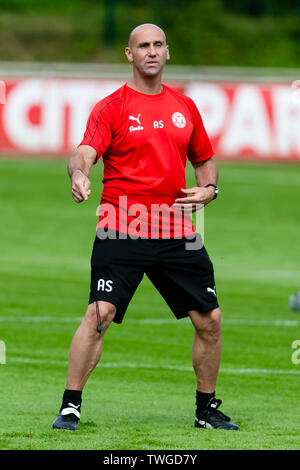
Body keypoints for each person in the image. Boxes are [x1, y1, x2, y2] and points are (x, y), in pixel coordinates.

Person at [52, 23, 239, 431]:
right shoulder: (113, 106)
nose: (151, 52)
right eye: (143, 46)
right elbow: (84, 152)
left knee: (210, 319)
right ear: (129, 54)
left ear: (167, 52)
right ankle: (70, 405)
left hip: (175, 227)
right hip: (121, 224)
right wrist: (78, 175)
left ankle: (205, 409)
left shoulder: (185, 107)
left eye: (157, 45)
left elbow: (204, 158)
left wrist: (210, 189)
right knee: (100, 313)